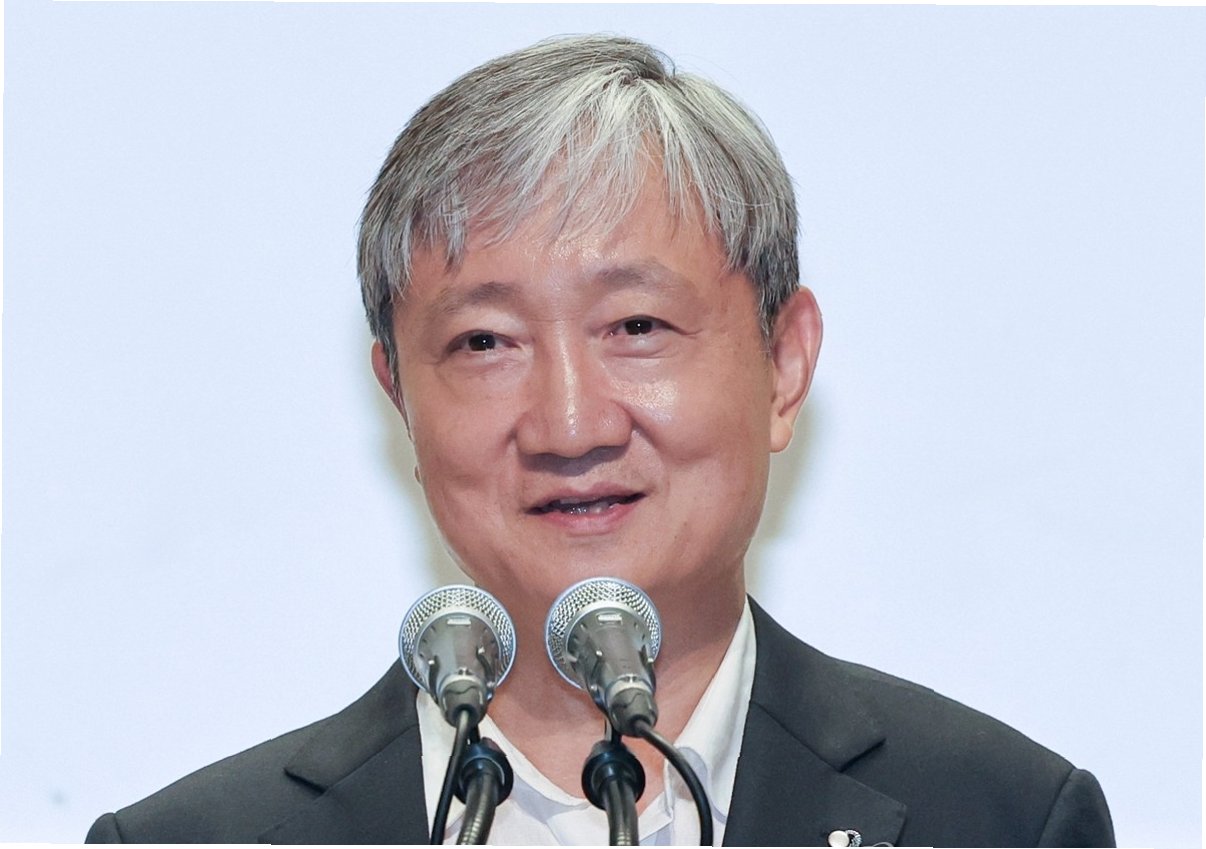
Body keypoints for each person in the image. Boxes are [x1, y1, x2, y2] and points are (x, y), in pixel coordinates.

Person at [85, 34, 1115, 846]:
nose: (570, 424)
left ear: (784, 363)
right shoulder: (192, 840)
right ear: (398, 395)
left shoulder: (999, 817)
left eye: (637, 326)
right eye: (485, 342)